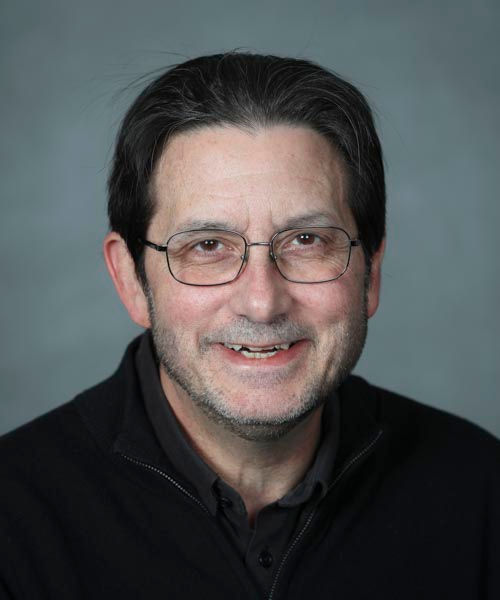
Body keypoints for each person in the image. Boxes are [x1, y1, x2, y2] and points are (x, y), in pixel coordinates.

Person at [1, 52, 499, 600]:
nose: (262, 303)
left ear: (371, 273)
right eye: (206, 246)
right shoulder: (14, 518)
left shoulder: (481, 493)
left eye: (307, 240)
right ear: (131, 280)